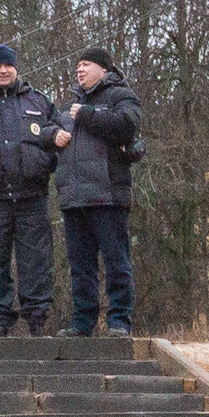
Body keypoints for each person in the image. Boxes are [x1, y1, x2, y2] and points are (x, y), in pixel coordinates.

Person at [0, 47, 63, 335]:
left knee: (37, 260)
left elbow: (58, 137)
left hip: (33, 196)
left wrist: (43, 164)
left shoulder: (39, 102)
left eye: (8, 65)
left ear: (16, 68)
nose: (3, 71)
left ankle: (38, 320)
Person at [56, 48, 143, 337]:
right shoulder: (69, 106)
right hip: (74, 198)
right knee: (80, 267)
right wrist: (50, 136)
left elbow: (127, 125)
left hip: (108, 195)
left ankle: (119, 321)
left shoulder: (121, 96)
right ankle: (82, 322)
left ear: (104, 69)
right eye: (77, 65)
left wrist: (87, 114)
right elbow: (48, 133)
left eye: (86, 65)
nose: (79, 70)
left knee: (117, 262)